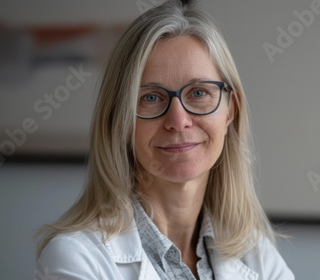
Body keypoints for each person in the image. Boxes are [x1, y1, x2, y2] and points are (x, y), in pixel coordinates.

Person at [36, 1, 295, 279]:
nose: (178, 121)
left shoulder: (257, 254)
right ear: (119, 120)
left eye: (198, 93)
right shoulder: (77, 258)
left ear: (230, 109)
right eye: (151, 97)